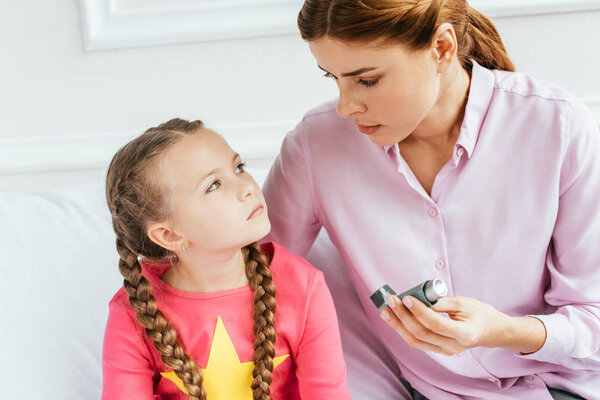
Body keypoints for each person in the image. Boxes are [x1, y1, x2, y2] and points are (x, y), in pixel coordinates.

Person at [262, 0, 600, 399]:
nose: (346, 105)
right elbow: (252, 272)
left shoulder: (556, 125)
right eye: (333, 77)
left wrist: (496, 330)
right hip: (426, 390)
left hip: (562, 385)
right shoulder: (318, 146)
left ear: (441, 48)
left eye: (366, 80)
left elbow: (592, 318)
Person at [101, 118, 352, 400]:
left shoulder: (304, 287)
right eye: (214, 185)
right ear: (169, 235)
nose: (246, 187)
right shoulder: (132, 312)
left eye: (238, 168)